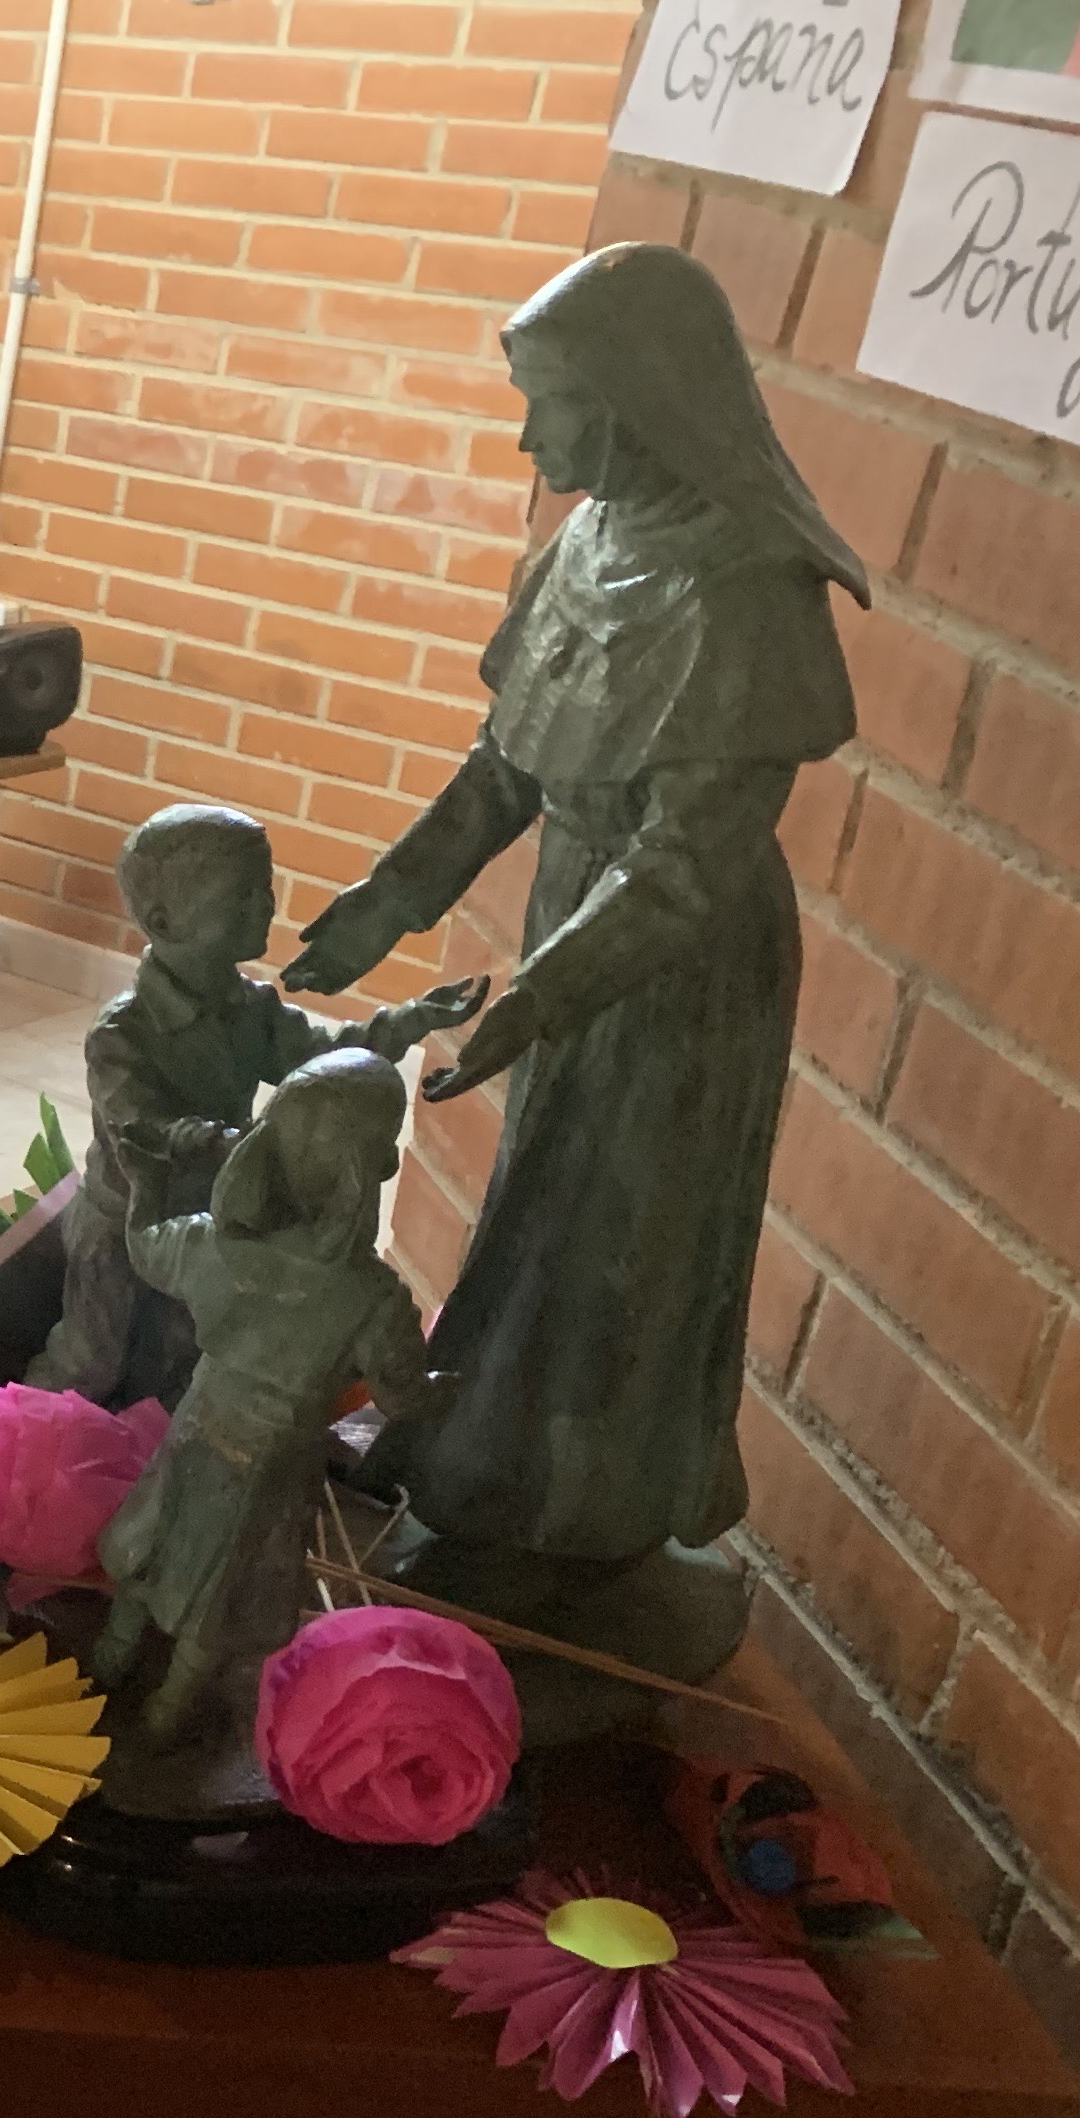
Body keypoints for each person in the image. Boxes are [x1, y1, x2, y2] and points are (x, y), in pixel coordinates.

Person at [278, 240, 866, 1675]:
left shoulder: (746, 589)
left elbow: (681, 866)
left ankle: (575, 1533)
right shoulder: (590, 548)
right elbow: (509, 767)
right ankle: (489, 1480)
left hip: (682, 973)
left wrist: (532, 1006)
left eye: (553, 402)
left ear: (638, 398)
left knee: (626, 1248)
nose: (532, 438)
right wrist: (385, 900)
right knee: (543, 1215)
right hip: (578, 925)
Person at [29, 803, 481, 1409]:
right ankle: (12, 1438)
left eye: (264, 889)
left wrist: (409, 1021)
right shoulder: (124, 1031)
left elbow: (322, 1051)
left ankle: (143, 1460)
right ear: (163, 919)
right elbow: (138, 1125)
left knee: (183, 1354)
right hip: (126, 1221)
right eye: (241, 895)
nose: (266, 905)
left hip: (217, 1218)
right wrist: (213, 1141)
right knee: (94, 1356)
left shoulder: (251, 1007)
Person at [91, 1050, 454, 1743]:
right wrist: (439, 1393)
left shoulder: (212, 1245)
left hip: (197, 1427)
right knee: (220, 1592)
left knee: (154, 1548)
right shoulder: (373, 1299)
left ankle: (111, 1656)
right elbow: (401, 1399)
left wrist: (144, 1184)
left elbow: (143, 1249)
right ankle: (166, 1713)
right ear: (378, 1165)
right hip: (272, 1465)